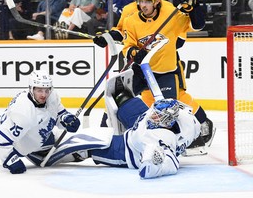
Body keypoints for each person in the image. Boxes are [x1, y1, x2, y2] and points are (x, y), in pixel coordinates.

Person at [95, 0, 214, 156]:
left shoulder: (170, 13)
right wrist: (115, 42)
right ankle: (108, 131)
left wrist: (193, 9)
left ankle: (194, 128)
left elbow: (194, 27)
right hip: (140, 69)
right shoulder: (130, 13)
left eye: (147, 0)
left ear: (157, 1)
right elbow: (123, 37)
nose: (143, 3)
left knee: (172, 103)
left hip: (165, 68)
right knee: (120, 97)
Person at [31, 69, 202, 179]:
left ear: (166, 122)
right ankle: (123, 106)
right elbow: (193, 122)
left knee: (89, 143)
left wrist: (152, 162)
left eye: (157, 117)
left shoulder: (160, 142)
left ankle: (46, 154)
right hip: (139, 123)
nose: (154, 116)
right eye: (156, 113)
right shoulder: (183, 118)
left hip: (128, 149)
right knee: (122, 96)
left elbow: (155, 169)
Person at [0, 70, 80, 174]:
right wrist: (10, 160)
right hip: (17, 144)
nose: (44, 94)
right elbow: (0, 140)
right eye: (39, 90)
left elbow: (58, 113)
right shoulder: (24, 113)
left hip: (31, 134)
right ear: (31, 89)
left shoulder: (52, 96)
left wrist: (66, 119)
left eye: (46, 90)